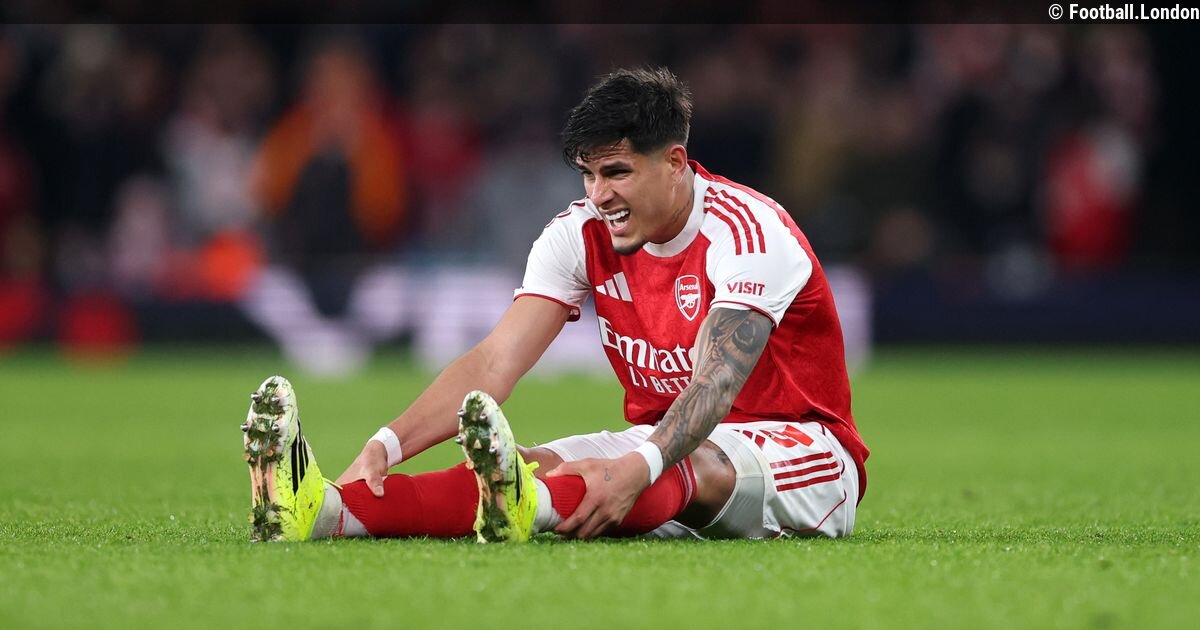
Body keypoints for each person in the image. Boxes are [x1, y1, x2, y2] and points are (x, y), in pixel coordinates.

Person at [240, 67, 869, 543]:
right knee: (533, 465)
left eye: (616, 173)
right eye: (588, 175)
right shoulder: (579, 234)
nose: (599, 195)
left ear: (675, 163)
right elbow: (494, 362)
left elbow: (716, 384)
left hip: (802, 452)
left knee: (674, 466)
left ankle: (534, 508)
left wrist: (640, 465)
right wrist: (387, 444)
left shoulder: (748, 233)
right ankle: (325, 511)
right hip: (663, 443)